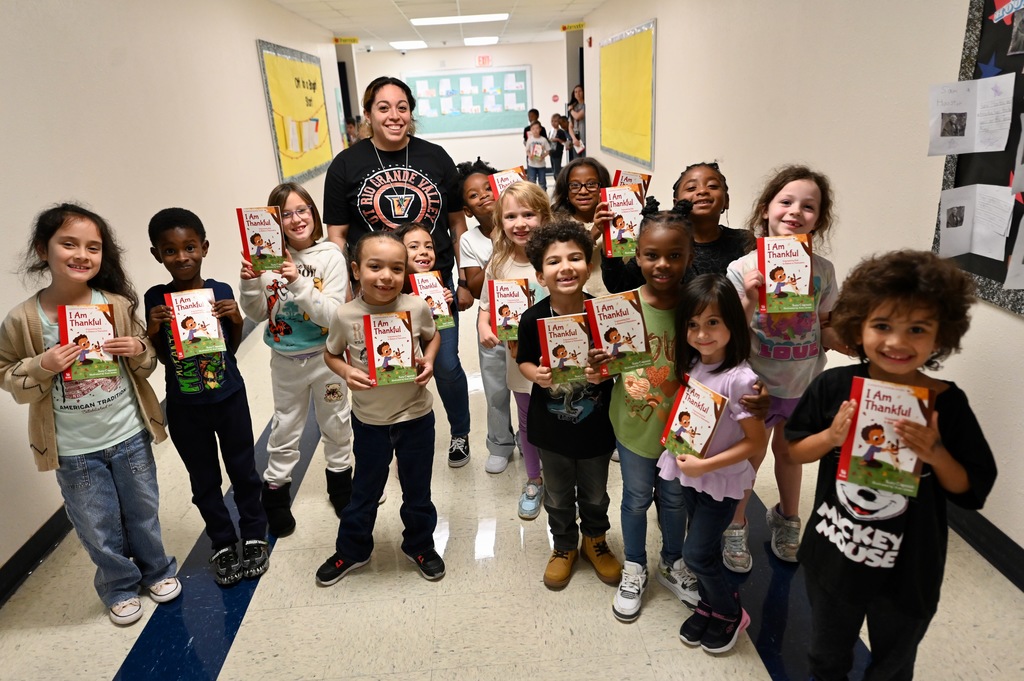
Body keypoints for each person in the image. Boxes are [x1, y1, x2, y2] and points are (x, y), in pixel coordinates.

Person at [785, 250, 997, 680]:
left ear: (940, 336)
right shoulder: (835, 386)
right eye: (882, 325)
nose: (897, 343)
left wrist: (935, 453)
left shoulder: (947, 405)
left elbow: (970, 488)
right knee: (825, 658)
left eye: (917, 329)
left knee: (894, 667)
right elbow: (795, 450)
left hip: (909, 568)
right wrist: (832, 438)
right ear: (858, 326)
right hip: (835, 552)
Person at [0, 203, 180, 626]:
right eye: (69, 244)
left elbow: (146, 359)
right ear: (43, 251)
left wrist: (138, 349)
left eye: (93, 247)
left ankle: (157, 570)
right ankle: (118, 585)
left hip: (128, 433)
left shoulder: (114, 305)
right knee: (96, 523)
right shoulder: (25, 318)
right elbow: (6, 372)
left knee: (143, 510)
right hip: (72, 447)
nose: (82, 254)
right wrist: (42, 365)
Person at [323, 75, 472, 466]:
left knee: (445, 364)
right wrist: (346, 288)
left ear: (411, 113)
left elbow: (457, 224)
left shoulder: (435, 157)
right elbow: (337, 235)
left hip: (431, 281)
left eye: (402, 107)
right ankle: (391, 439)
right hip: (374, 288)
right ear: (368, 114)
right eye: (383, 107)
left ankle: (459, 432)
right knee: (385, 364)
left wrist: (464, 277)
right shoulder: (346, 164)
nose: (394, 115)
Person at [725, 165, 850, 569]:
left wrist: (846, 343)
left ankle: (787, 518)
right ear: (766, 209)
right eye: (786, 201)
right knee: (751, 456)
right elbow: (730, 332)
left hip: (803, 383)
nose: (796, 211)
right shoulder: (742, 268)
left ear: (820, 218)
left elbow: (825, 327)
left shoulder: (824, 272)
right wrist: (749, 296)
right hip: (756, 386)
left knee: (791, 454)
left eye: (809, 206)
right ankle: (735, 524)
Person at [588, 200, 700, 623]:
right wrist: (598, 365)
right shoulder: (622, 306)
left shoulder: (697, 307)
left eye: (675, 255)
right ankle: (635, 565)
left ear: (689, 257)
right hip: (634, 426)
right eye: (652, 255)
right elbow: (602, 372)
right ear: (637, 254)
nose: (663, 264)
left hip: (682, 429)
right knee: (635, 499)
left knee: (673, 500)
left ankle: (673, 562)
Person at [144, 208, 269, 586]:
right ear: (157, 255)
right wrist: (152, 328)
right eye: (170, 251)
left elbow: (228, 351)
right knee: (203, 481)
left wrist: (235, 319)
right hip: (185, 404)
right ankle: (222, 540)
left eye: (190, 247)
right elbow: (164, 359)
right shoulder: (156, 298)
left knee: (244, 470)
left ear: (204, 248)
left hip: (228, 395)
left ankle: (253, 534)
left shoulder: (220, 291)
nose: (182, 257)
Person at [317, 232, 444, 585]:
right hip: (369, 421)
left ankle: (420, 545)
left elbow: (433, 336)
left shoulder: (416, 307)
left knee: (418, 491)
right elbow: (330, 352)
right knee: (364, 491)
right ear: (356, 270)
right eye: (375, 267)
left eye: (396, 268)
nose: (386, 276)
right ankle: (352, 550)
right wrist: (345, 371)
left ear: (406, 273)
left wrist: (429, 361)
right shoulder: (345, 315)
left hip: (416, 416)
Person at [657, 274, 767, 654]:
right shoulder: (694, 364)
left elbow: (755, 441)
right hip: (691, 473)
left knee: (696, 554)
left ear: (732, 324)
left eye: (712, 322)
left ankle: (729, 611)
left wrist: (706, 466)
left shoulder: (742, 380)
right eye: (692, 324)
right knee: (700, 549)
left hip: (718, 481)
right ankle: (708, 605)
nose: (701, 333)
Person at [240, 183, 353, 537]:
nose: (296, 219)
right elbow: (258, 313)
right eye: (285, 214)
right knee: (286, 425)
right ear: (274, 221)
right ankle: (275, 493)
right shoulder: (267, 260)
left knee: (335, 420)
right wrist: (249, 283)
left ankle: (341, 485)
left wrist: (298, 283)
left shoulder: (330, 255)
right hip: (286, 361)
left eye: (302, 209)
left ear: (313, 212)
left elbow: (334, 315)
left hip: (327, 359)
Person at [516, 220, 622, 589]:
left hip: (596, 429)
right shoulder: (532, 318)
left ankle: (595, 540)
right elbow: (523, 360)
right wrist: (536, 375)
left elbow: (619, 362)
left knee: (595, 492)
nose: (565, 267)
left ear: (589, 266)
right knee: (558, 495)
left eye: (575, 257)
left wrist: (604, 373)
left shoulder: (604, 315)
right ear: (540, 275)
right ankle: (563, 545)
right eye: (553, 261)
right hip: (551, 431)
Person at [478, 182, 552, 518]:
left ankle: (563, 478)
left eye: (528, 214)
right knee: (527, 421)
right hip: (519, 359)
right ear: (500, 221)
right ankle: (534, 479)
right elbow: (485, 306)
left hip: (558, 359)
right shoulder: (499, 261)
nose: (520, 223)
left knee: (562, 416)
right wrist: (483, 327)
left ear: (544, 216)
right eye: (510, 216)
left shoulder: (555, 255)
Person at [602, 162, 753, 294]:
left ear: (726, 201)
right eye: (691, 187)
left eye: (712, 186)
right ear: (676, 203)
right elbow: (618, 284)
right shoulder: (664, 243)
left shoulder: (743, 241)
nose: (702, 191)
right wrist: (610, 233)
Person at [457, 158, 520, 474]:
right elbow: (475, 283)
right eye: (473, 194)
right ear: (467, 209)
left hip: (525, 326)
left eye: (487, 187)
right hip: (492, 326)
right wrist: (501, 245)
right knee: (496, 388)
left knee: (528, 386)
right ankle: (499, 444)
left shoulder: (522, 226)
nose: (483, 195)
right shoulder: (470, 240)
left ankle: (528, 436)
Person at [551, 157, 614, 296]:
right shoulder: (554, 222)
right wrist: (593, 233)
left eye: (591, 184)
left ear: (602, 187)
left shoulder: (615, 218)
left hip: (615, 300)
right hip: (576, 300)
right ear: (565, 190)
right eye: (574, 185)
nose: (583, 191)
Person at [524, 121, 552, 190]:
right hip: (531, 164)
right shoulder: (529, 140)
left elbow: (548, 150)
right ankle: (533, 196)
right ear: (530, 130)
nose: (535, 130)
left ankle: (543, 197)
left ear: (540, 129)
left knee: (542, 182)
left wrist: (543, 156)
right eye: (533, 129)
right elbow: (527, 150)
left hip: (541, 164)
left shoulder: (543, 140)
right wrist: (529, 155)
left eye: (537, 128)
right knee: (532, 181)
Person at [567, 84, 586, 160]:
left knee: (586, 161)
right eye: (575, 92)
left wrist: (571, 110)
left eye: (580, 91)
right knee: (577, 161)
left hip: (586, 138)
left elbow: (578, 116)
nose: (578, 93)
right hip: (577, 139)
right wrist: (574, 139)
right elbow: (570, 126)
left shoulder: (586, 105)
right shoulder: (574, 106)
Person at [548, 114, 569, 179]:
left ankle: (559, 183)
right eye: (552, 121)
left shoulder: (561, 132)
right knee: (553, 170)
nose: (553, 123)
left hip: (558, 153)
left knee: (557, 171)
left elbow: (564, 142)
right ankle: (556, 182)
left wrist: (557, 139)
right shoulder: (551, 131)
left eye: (555, 121)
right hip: (551, 153)